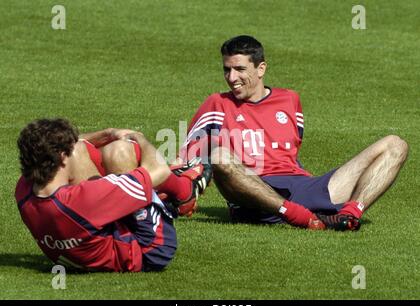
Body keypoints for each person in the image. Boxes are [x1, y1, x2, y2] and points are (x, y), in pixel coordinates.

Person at [180, 35, 408, 231]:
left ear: (261, 69)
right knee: (218, 155)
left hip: (304, 187)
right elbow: (188, 153)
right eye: (227, 70)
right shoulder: (216, 103)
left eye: (239, 69)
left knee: (395, 145)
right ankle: (296, 215)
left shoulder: (290, 100)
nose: (231, 78)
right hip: (254, 196)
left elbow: (290, 151)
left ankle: (349, 215)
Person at [15, 118, 211, 272]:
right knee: (121, 153)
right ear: (61, 158)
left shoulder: (24, 191)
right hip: (149, 248)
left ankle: (159, 194)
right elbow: (159, 170)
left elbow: (72, 145)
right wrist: (138, 138)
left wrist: (109, 133)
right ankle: (184, 192)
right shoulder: (83, 200)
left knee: (90, 150)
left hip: (86, 242)